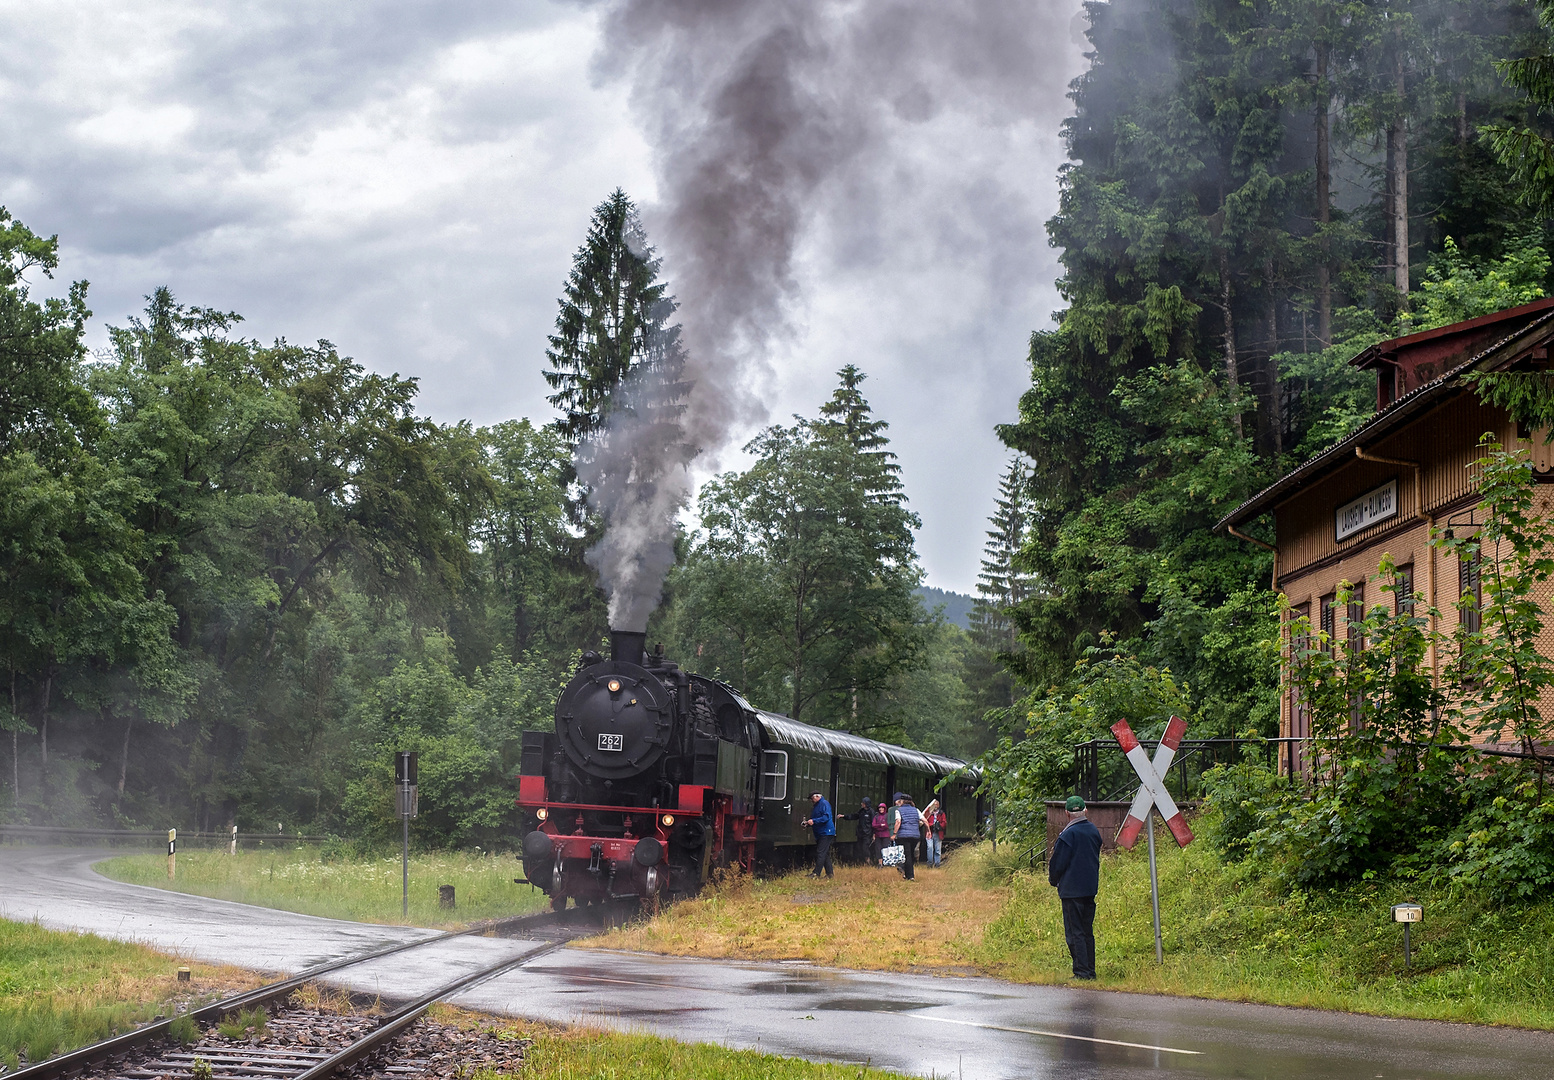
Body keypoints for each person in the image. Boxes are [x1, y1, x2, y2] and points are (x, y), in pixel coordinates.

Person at [1047, 795, 1103, 980]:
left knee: (1074, 932)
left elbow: (1058, 863)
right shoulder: (1094, 831)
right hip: (1089, 888)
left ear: (1066, 814)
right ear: (1086, 811)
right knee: (1087, 931)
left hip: (1072, 891)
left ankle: (1081, 972)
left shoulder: (1068, 835)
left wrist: (1053, 880)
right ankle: (1090, 971)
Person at [800, 791, 835, 878]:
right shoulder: (817, 806)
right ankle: (830, 873)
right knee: (825, 853)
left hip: (826, 832)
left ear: (817, 797)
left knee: (820, 852)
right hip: (820, 832)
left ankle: (816, 873)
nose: (812, 800)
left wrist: (814, 821)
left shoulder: (824, 804)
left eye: (812, 798)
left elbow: (826, 817)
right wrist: (808, 823)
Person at [889, 793, 920, 880]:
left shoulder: (899, 810)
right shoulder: (916, 810)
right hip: (915, 836)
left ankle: (909, 875)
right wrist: (928, 830)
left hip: (904, 836)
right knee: (911, 855)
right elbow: (924, 820)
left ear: (902, 801)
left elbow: (898, 822)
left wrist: (894, 833)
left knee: (908, 855)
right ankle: (907, 874)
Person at [923, 799, 947, 868]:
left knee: (938, 849)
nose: (935, 806)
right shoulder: (928, 813)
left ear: (939, 805)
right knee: (930, 847)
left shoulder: (941, 813)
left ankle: (937, 864)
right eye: (934, 805)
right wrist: (931, 825)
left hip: (938, 832)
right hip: (929, 832)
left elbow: (944, 823)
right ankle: (930, 863)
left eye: (936, 805)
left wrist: (938, 825)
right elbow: (925, 821)